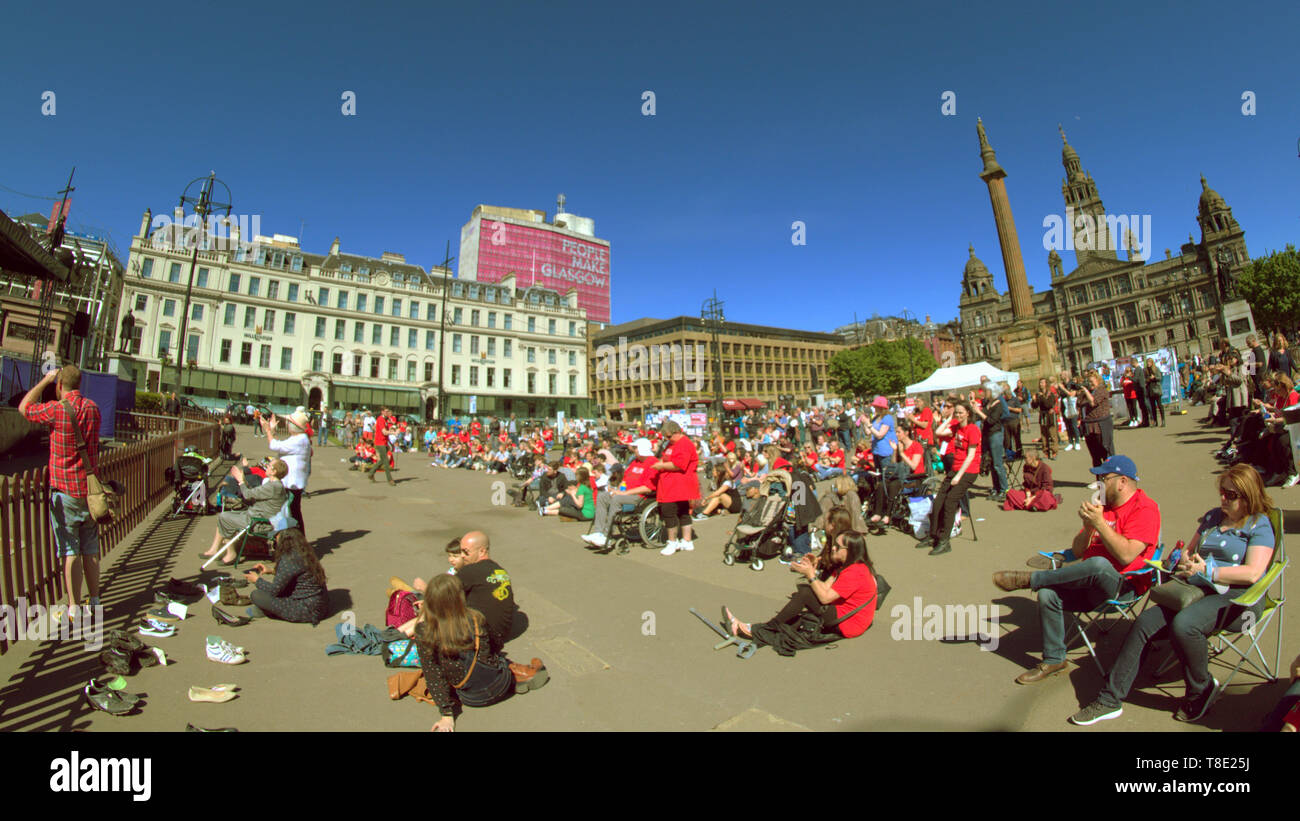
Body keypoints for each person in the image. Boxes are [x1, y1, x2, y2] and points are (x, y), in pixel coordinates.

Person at [1068, 464, 1276, 725]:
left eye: (1231, 495)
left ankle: (1202, 690)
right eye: (1222, 492)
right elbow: (1189, 549)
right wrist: (1184, 560)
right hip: (1196, 589)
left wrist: (1210, 571)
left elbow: (1253, 574)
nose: (1223, 498)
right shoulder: (1213, 517)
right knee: (1144, 623)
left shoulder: (1259, 525)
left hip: (1238, 599)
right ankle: (1110, 699)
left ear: (1249, 496)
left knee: (1185, 625)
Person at [991, 454, 1160, 684]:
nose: (1098, 483)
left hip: (1123, 585)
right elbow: (1078, 551)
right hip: (1089, 582)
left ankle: (1032, 579)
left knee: (1099, 565)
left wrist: (1101, 524)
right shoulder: (1104, 507)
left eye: (1104, 478)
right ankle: (1054, 659)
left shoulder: (1145, 508)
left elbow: (1127, 554)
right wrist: (1089, 526)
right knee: (1048, 594)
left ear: (1122, 481)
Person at [19, 365, 104, 616]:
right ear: (80, 383)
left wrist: (44, 381)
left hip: (65, 490)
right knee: (90, 549)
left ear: (59, 385)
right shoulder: (93, 409)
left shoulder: (56, 410)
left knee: (70, 551)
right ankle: (96, 601)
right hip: (90, 492)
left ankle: (74, 606)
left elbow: (24, 408)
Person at [724, 530, 878, 650]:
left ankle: (761, 629)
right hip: (844, 613)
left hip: (850, 623)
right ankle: (760, 628)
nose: (833, 549)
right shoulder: (847, 566)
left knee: (805, 594)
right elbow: (824, 587)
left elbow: (825, 598)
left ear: (850, 551)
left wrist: (810, 575)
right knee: (804, 596)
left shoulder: (856, 572)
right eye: (834, 544)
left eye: (838, 547)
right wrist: (810, 570)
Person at [413, 575, 517, 732]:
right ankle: (516, 675)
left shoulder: (425, 630)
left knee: (438, 668)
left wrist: (446, 715)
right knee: (500, 659)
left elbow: (432, 673)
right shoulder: (476, 617)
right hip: (501, 684)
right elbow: (496, 644)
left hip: (471, 697)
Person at [201, 458, 289, 565]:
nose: (267, 467)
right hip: (257, 516)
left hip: (259, 522)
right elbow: (253, 494)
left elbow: (247, 495)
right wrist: (243, 482)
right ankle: (214, 549)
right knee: (225, 517)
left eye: (269, 466)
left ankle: (231, 553)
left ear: (274, 472)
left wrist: (241, 481)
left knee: (224, 518)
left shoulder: (273, 486)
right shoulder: (274, 485)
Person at [924, 400, 980, 556]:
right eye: (957, 412)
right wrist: (950, 418)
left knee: (950, 502)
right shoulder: (956, 427)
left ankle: (944, 541)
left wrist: (958, 476)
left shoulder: (973, 429)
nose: (959, 415)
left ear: (968, 413)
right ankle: (934, 534)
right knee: (939, 501)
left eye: (962, 412)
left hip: (968, 470)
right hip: (955, 469)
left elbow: (971, 456)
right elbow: (939, 433)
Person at [243, 528, 329, 624]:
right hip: (320, 606)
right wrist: (271, 571)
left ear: (281, 537)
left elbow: (274, 590)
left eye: (276, 537)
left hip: (306, 610)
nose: (275, 540)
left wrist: (257, 580)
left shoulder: (289, 558)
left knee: (256, 595)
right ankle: (265, 609)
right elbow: (297, 573)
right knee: (276, 592)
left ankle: (266, 611)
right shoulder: (304, 552)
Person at [260, 408, 313, 535]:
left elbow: (274, 446)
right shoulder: (300, 438)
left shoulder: (298, 440)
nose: (287, 424)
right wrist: (272, 432)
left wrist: (268, 430)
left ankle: (298, 541)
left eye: (289, 422)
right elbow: (282, 446)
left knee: (292, 512)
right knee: (293, 511)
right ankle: (298, 540)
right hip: (294, 481)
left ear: (293, 425)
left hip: (292, 482)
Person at [654, 420, 700, 556]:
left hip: (678, 484)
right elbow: (667, 458)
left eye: (668, 436)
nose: (667, 439)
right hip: (671, 484)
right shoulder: (671, 443)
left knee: (670, 512)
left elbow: (679, 465)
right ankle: (686, 540)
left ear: (676, 432)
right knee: (682, 512)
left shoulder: (685, 444)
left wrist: (661, 466)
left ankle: (673, 542)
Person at [972, 384, 1007, 503]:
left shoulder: (998, 404)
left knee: (997, 463)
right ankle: (996, 488)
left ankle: (1004, 488)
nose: (984, 393)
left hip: (995, 434)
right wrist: (975, 409)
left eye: (986, 391)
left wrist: (979, 412)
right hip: (987, 434)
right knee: (991, 464)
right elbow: (980, 416)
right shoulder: (988, 403)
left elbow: (991, 420)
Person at [1078, 370, 1114, 468]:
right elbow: (1079, 403)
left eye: (1092, 381)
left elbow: (1093, 402)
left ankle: (1111, 477)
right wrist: (1082, 392)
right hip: (1089, 425)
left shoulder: (1101, 390)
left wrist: (1086, 391)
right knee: (1095, 455)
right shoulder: (1088, 392)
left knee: (1106, 452)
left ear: (1098, 380)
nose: (1090, 384)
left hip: (1101, 424)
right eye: (1088, 382)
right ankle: (1099, 479)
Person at [365, 406, 396, 485]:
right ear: (382, 412)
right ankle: (390, 479)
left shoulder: (384, 419)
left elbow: (376, 428)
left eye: (387, 411)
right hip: (380, 443)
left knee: (382, 460)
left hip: (384, 442)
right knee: (385, 461)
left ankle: (371, 473)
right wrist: (393, 433)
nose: (387, 412)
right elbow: (384, 432)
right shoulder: (381, 419)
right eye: (385, 411)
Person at [1032, 378, 1059, 459]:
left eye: (1042, 382)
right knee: (1044, 435)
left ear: (1046, 384)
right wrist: (1034, 400)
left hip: (1050, 416)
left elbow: (1048, 404)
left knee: (1053, 435)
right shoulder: (1038, 394)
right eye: (1040, 383)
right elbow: (1035, 406)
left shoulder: (1050, 394)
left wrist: (1041, 397)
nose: (1041, 384)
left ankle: (1054, 452)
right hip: (1043, 416)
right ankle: (1046, 452)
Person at [1143, 358, 1166, 428]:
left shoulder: (1156, 369)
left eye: (1149, 362)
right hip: (1150, 390)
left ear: (1152, 363)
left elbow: (1160, 378)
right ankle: (1155, 421)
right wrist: (1148, 379)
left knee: (1160, 405)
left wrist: (1154, 377)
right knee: (1152, 407)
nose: (1148, 364)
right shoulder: (1145, 370)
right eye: (1147, 362)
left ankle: (1163, 421)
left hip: (1157, 389)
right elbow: (1144, 379)